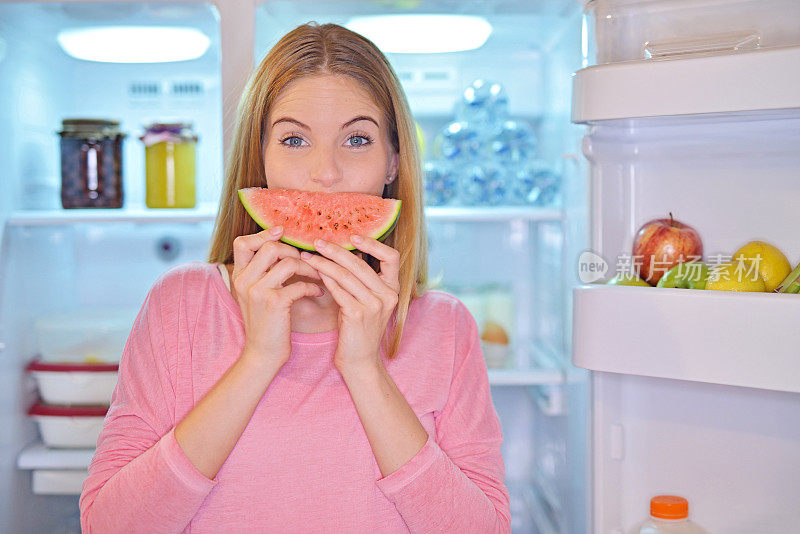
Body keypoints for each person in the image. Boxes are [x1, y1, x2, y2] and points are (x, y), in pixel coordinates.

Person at [79, 22, 510, 533]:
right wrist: (258, 358)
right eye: (293, 139)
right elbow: (110, 526)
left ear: (393, 161)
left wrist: (364, 367)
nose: (324, 173)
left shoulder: (445, 327)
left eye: (356, 138)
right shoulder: (182, 304)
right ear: (258, 159)